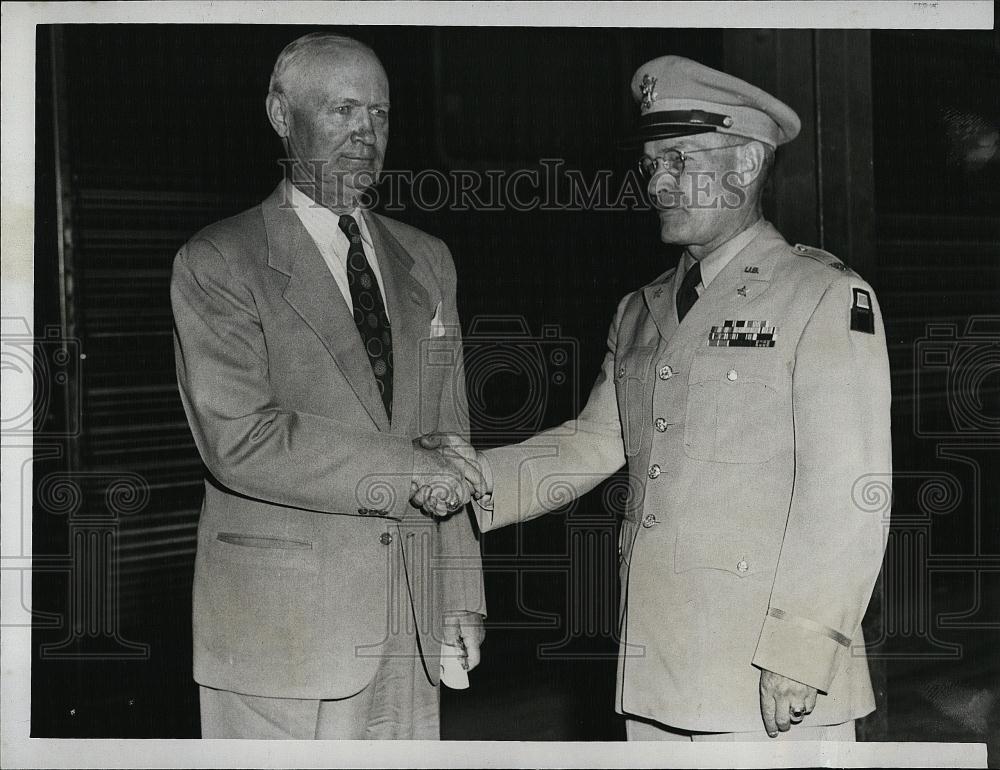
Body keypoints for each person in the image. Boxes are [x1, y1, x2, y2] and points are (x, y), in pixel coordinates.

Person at [426, 55, 891, 741]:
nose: (657, 183)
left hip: (770, 675)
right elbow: (593, 441)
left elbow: (849, 489)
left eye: (678, 159)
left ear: (747, 164)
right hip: (657, 667)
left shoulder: (820, 297)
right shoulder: (641, 310)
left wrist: (800, 650)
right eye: (651, 165)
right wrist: (471, 480)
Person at [170, 32, 485, 740]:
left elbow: (451, 434)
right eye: (343, 111)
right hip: (279, 637)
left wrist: (461, 593)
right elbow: (241, 440)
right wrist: (415, 467)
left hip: (408, 624)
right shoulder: (221, 260)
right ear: (282, 116)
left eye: (379, 114)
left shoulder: (426, 259)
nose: (365, 135)